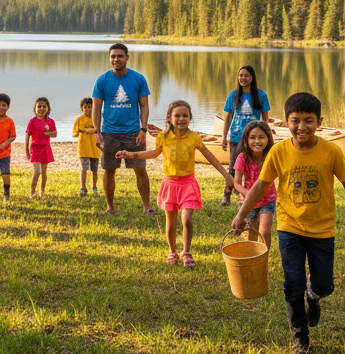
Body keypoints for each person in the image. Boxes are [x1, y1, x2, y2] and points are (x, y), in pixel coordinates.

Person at [230, 92, 345, 354]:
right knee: (292, 284)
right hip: (289, 228)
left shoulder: (331, 151)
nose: (302, 127)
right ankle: (299, 339)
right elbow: (260, 187)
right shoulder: (278, 152)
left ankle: (313, 296)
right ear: (285, 122)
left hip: (322, 230)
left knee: (325, 285)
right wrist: (242, 215)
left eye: (308, 121)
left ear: (319, 121)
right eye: (295, 120)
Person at [117, 100, 234, 267]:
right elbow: (153, 153)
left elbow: (210, 157)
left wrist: (226, 175)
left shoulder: (194, 138)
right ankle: (173, 252)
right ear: (169, 118)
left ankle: (186, 252)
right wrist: (132, 154)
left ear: (190, 117)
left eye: (185, 115)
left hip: (188, 184)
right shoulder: (164, 137)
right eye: (177, 115)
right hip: (170, 184)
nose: (181, 119)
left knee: (187, 218)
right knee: (171, 222)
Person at [92, 43, 153, 215]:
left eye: (119, 56)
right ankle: (110, 208)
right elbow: (96, 108)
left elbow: (144, 106)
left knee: (140, 168)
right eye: (113, 56)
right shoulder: (102, 80)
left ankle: (147, 207)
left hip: (133, 132)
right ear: (109, 58)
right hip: (109, 133)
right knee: (109, 169)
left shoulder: (138, 79)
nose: (116, 59)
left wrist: (143, 129)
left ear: (127, 57)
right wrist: (97, 132)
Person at [220, 65, 270, 205]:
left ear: (252, 78)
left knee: (252, 168)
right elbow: (228, 117)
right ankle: (226, 196)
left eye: (246, 75)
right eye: (240, 75)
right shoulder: (233, 95)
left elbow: (265, 118)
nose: (243, 78)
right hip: (236, 137)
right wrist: (224, 137)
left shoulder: (261, 95)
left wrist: (265, 137)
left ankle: (249, 196)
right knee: (232, 168)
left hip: (254, 139)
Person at [234, 121, 278, 250]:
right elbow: (236, 183)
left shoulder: (270, 157)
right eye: (252, 137)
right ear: (246, 140)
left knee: (264, 231)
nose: (257, 141)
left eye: (261, 137)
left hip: (268, 199)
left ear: (268, 139)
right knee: (252, 232)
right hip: (249, 201)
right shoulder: (242, 158)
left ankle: (264, 258)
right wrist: (248, 194)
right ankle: (253, 257)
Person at [25, 97, 57, 198]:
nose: (41, 109)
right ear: (35, 108)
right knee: (37, 171)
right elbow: (27, 135)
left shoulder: (50, 121)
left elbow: (55, 134)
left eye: (44, 106)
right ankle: (32, 192)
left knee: (44, 172)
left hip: (46, 149)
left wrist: (49, 133)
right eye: (39, 106)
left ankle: (42, 192)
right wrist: (27, 150)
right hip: (35, 149)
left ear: (48, 108)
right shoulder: (32, 121)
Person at [73, 97, 100, 197]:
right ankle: (83, 187)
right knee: (84, 168)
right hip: (83, 148)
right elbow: (74, 134)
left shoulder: (96, 119)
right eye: (85, 107)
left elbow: (100, 131)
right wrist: (81, 131)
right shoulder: (79, 120)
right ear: (82, 109)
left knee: (95, 170)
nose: (88, 110)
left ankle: (94, 186)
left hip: (95, 148)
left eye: (90, 107)